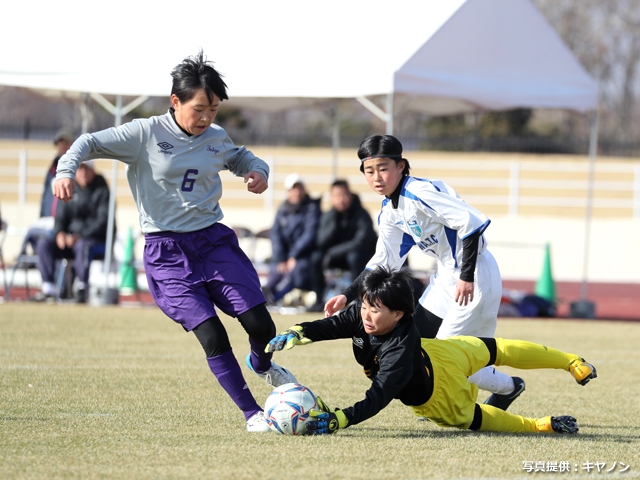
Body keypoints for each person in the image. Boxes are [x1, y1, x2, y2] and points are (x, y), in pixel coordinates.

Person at [52, 51, 296, 432]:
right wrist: (65, 171)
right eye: (199, 108)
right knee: (212, 334)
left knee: (260, 324)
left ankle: (262, 365)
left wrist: (256, 172)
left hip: (213, 243)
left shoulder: (215, 136)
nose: (206, 118)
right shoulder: (142, 134)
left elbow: (241, 157)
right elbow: (86, 142)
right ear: (175, 101)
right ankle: (253, 414)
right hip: (167, 253)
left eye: (213, 110)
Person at [267, 267, 597, 435]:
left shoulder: (398, 349)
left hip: (439, 380)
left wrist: (340, 418)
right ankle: (543, 425)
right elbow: (331, 326)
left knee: (497, 355)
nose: (366, 314)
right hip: (440, 372)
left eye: (376, 309)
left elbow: (378, 396)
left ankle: (571, 362)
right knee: (486, 388)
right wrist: (298, 333)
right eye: (366, 305)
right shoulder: (362, 314)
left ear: (398, 315)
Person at [324, 134, 524, 411]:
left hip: (474, 274)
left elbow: (472, 223)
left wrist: (466, 276)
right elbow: (384, 261)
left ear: (401, 166)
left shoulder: (419, 192)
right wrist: (347, 296)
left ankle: (501, 390)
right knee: (416, 341)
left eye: (383, 168)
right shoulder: (389, 210)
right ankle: (506, 389)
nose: (376, 177)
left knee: (447, 355)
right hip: (446, 276)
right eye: (369, 171)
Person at [33, 161, 112, 303]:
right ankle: (48, 288)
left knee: (83, 245)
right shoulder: (71, 188)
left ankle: (82, 288)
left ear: (93, 171)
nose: (82, 173)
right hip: (70, 241)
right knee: (44, 244)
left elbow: (103, 221)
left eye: (86, 169)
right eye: (79, 169)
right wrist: (60, 233)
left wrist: (80, 235)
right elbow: (60, 216)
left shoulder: (102, 190)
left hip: (95, 241)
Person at [308, 179, 377, 312]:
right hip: (335, 258)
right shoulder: (328, 216)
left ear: (350, 195)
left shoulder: (361, 214)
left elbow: (361, 241)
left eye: (344, 195)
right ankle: (319, 299)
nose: (341, 199)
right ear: (331, 198)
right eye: (337, 196)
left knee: (354, 257)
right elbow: (320, 242)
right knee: (316, 257)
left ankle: (358, 300)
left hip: (358, 257)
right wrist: (333, 226)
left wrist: (335, 251)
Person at [264, 173, 321, 304]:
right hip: (285, 256)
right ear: (287, 192)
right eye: (293, 189)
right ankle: (265, 293)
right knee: (276, 269)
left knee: (295, 272)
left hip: (304, 255)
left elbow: (310, 235)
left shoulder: (312, 208)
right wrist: (280, 258)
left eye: (299, 188)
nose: (296, 192)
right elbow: (276, 235)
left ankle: (273, 298)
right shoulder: (282, 209)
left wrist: (293, 256)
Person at [20, 131, 75, 256]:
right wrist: (42, 214)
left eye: (65, 143)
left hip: (63, 223)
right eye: (59, 144)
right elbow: (46, 195)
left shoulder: (75, 167)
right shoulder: (53, 168)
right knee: (34, 235)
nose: (62, 147)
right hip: (48, 219)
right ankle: (25, 255)